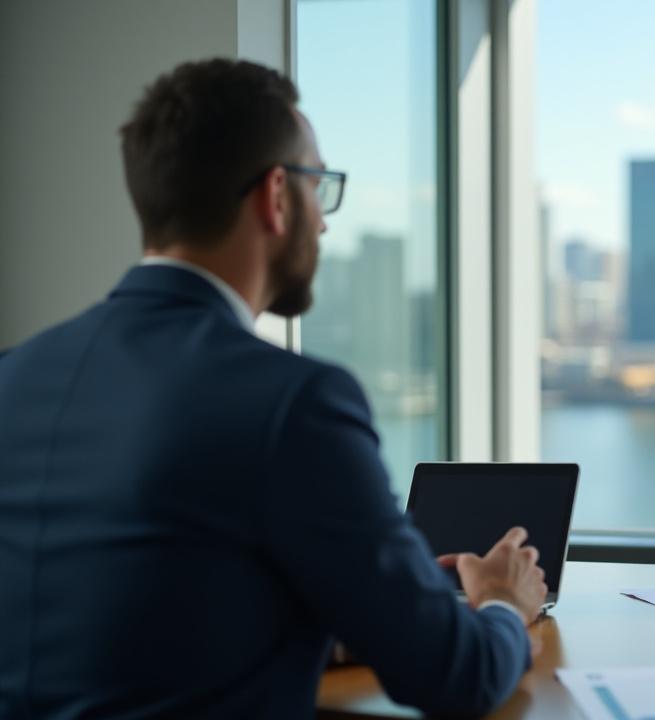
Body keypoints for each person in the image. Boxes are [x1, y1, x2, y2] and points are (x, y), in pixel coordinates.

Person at [0, 58, 545, 718]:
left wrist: (357, 594)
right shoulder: (296, 402)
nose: (323, 221)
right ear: (277, 196)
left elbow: (129, 612)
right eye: (321, 186)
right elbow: (455, 678)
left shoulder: (17, 371)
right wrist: (503, 608)